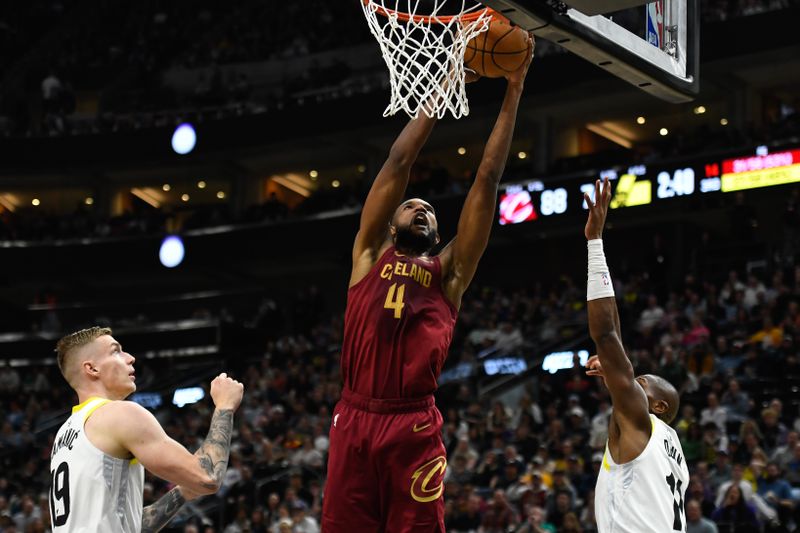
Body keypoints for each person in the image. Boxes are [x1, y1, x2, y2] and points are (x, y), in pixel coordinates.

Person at [321, 35, 534, 532]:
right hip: (353, 418)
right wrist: (443, 88)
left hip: (412, 426)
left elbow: (486, 179)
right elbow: (398, 162)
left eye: (431, 209)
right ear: (391, 225)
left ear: (439, 234)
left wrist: (514, 89)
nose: (421, 206)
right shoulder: (368, 255)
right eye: (411, 204)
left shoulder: (449, 274)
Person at [50, 327, 244, 532]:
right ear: (92, 369)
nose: (130, 358)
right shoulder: (119, 414)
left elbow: (131, 527)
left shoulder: (66, 433)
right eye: (116, 351)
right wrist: (225, 406)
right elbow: (208, 477)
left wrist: (183, 493)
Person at [583, 178, 690, 532]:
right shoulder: (671, 449)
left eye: (640, 382)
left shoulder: (643, 423)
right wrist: (615, 371)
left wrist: (595, 243)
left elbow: (607, 335)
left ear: (657, 406)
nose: (631, 381)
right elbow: (616, 352)